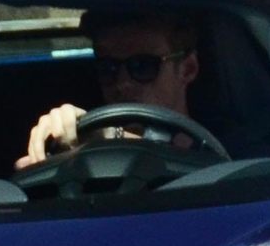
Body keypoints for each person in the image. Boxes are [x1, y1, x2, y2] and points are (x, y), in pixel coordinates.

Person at [20, 10, 202, 169]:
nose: (123, 83)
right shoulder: (87, 159)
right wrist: (58, 144)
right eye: (108, 68)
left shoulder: (224, 164)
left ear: (188, 69)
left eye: (143, 66)